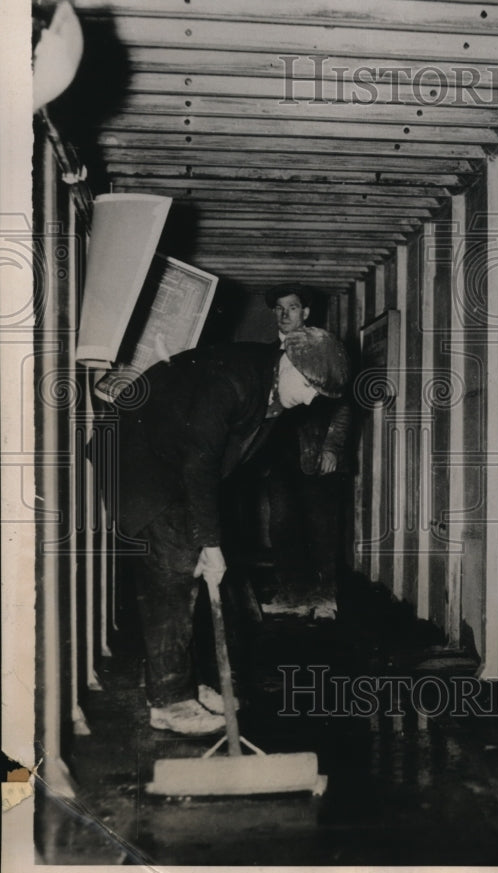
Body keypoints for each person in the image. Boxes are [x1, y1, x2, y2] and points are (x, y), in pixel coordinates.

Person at [113, 327, 350, 735]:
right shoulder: (233, 380)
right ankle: (170, 701)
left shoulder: (273, 388)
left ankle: (184, 683)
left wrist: (210, 537)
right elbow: (199, 463)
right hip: (143, 461)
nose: (311, 399)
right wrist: (209, 541)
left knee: (194, 567)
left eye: (320, 396)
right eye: (311, 386)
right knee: (173, 570)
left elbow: (224, 465)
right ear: (287, 361)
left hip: (178, 466)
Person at [262, 284, 353, 620]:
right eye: (280, 308)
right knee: (283, 526)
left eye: (293, 307)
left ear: (306, 313)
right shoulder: (269, 355)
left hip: (317, 454)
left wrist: (332, 447)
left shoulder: (324, 349)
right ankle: (291, 596)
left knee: (321, 526)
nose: (285, 314)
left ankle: (325, 598)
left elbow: (343, 405)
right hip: (278, 455)